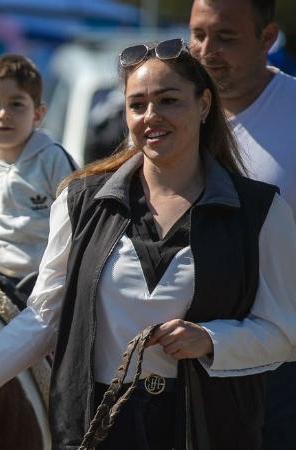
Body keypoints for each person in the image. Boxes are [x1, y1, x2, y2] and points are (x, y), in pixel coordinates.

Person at [0, 39, 296, 449]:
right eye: (137, 104)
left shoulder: (260, 211)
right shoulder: (80, 200)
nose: (151, 116)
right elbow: (43, 320)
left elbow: (284, 331)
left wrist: (211, 340)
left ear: (204, 105)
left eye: (169, 100)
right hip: (98, 427)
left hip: (211, 428)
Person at [188, 2, 296, 447]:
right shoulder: (172, 113)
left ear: (267, 38)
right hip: (182, 358)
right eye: (198, 34)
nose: (206, 51)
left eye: (225, 38)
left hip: (281, 370)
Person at [0, 54, 76, 283]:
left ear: (38, 114)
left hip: (49, 279)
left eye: (16, 104)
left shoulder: (53, 159)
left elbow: (78, 220)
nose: (3, 114)